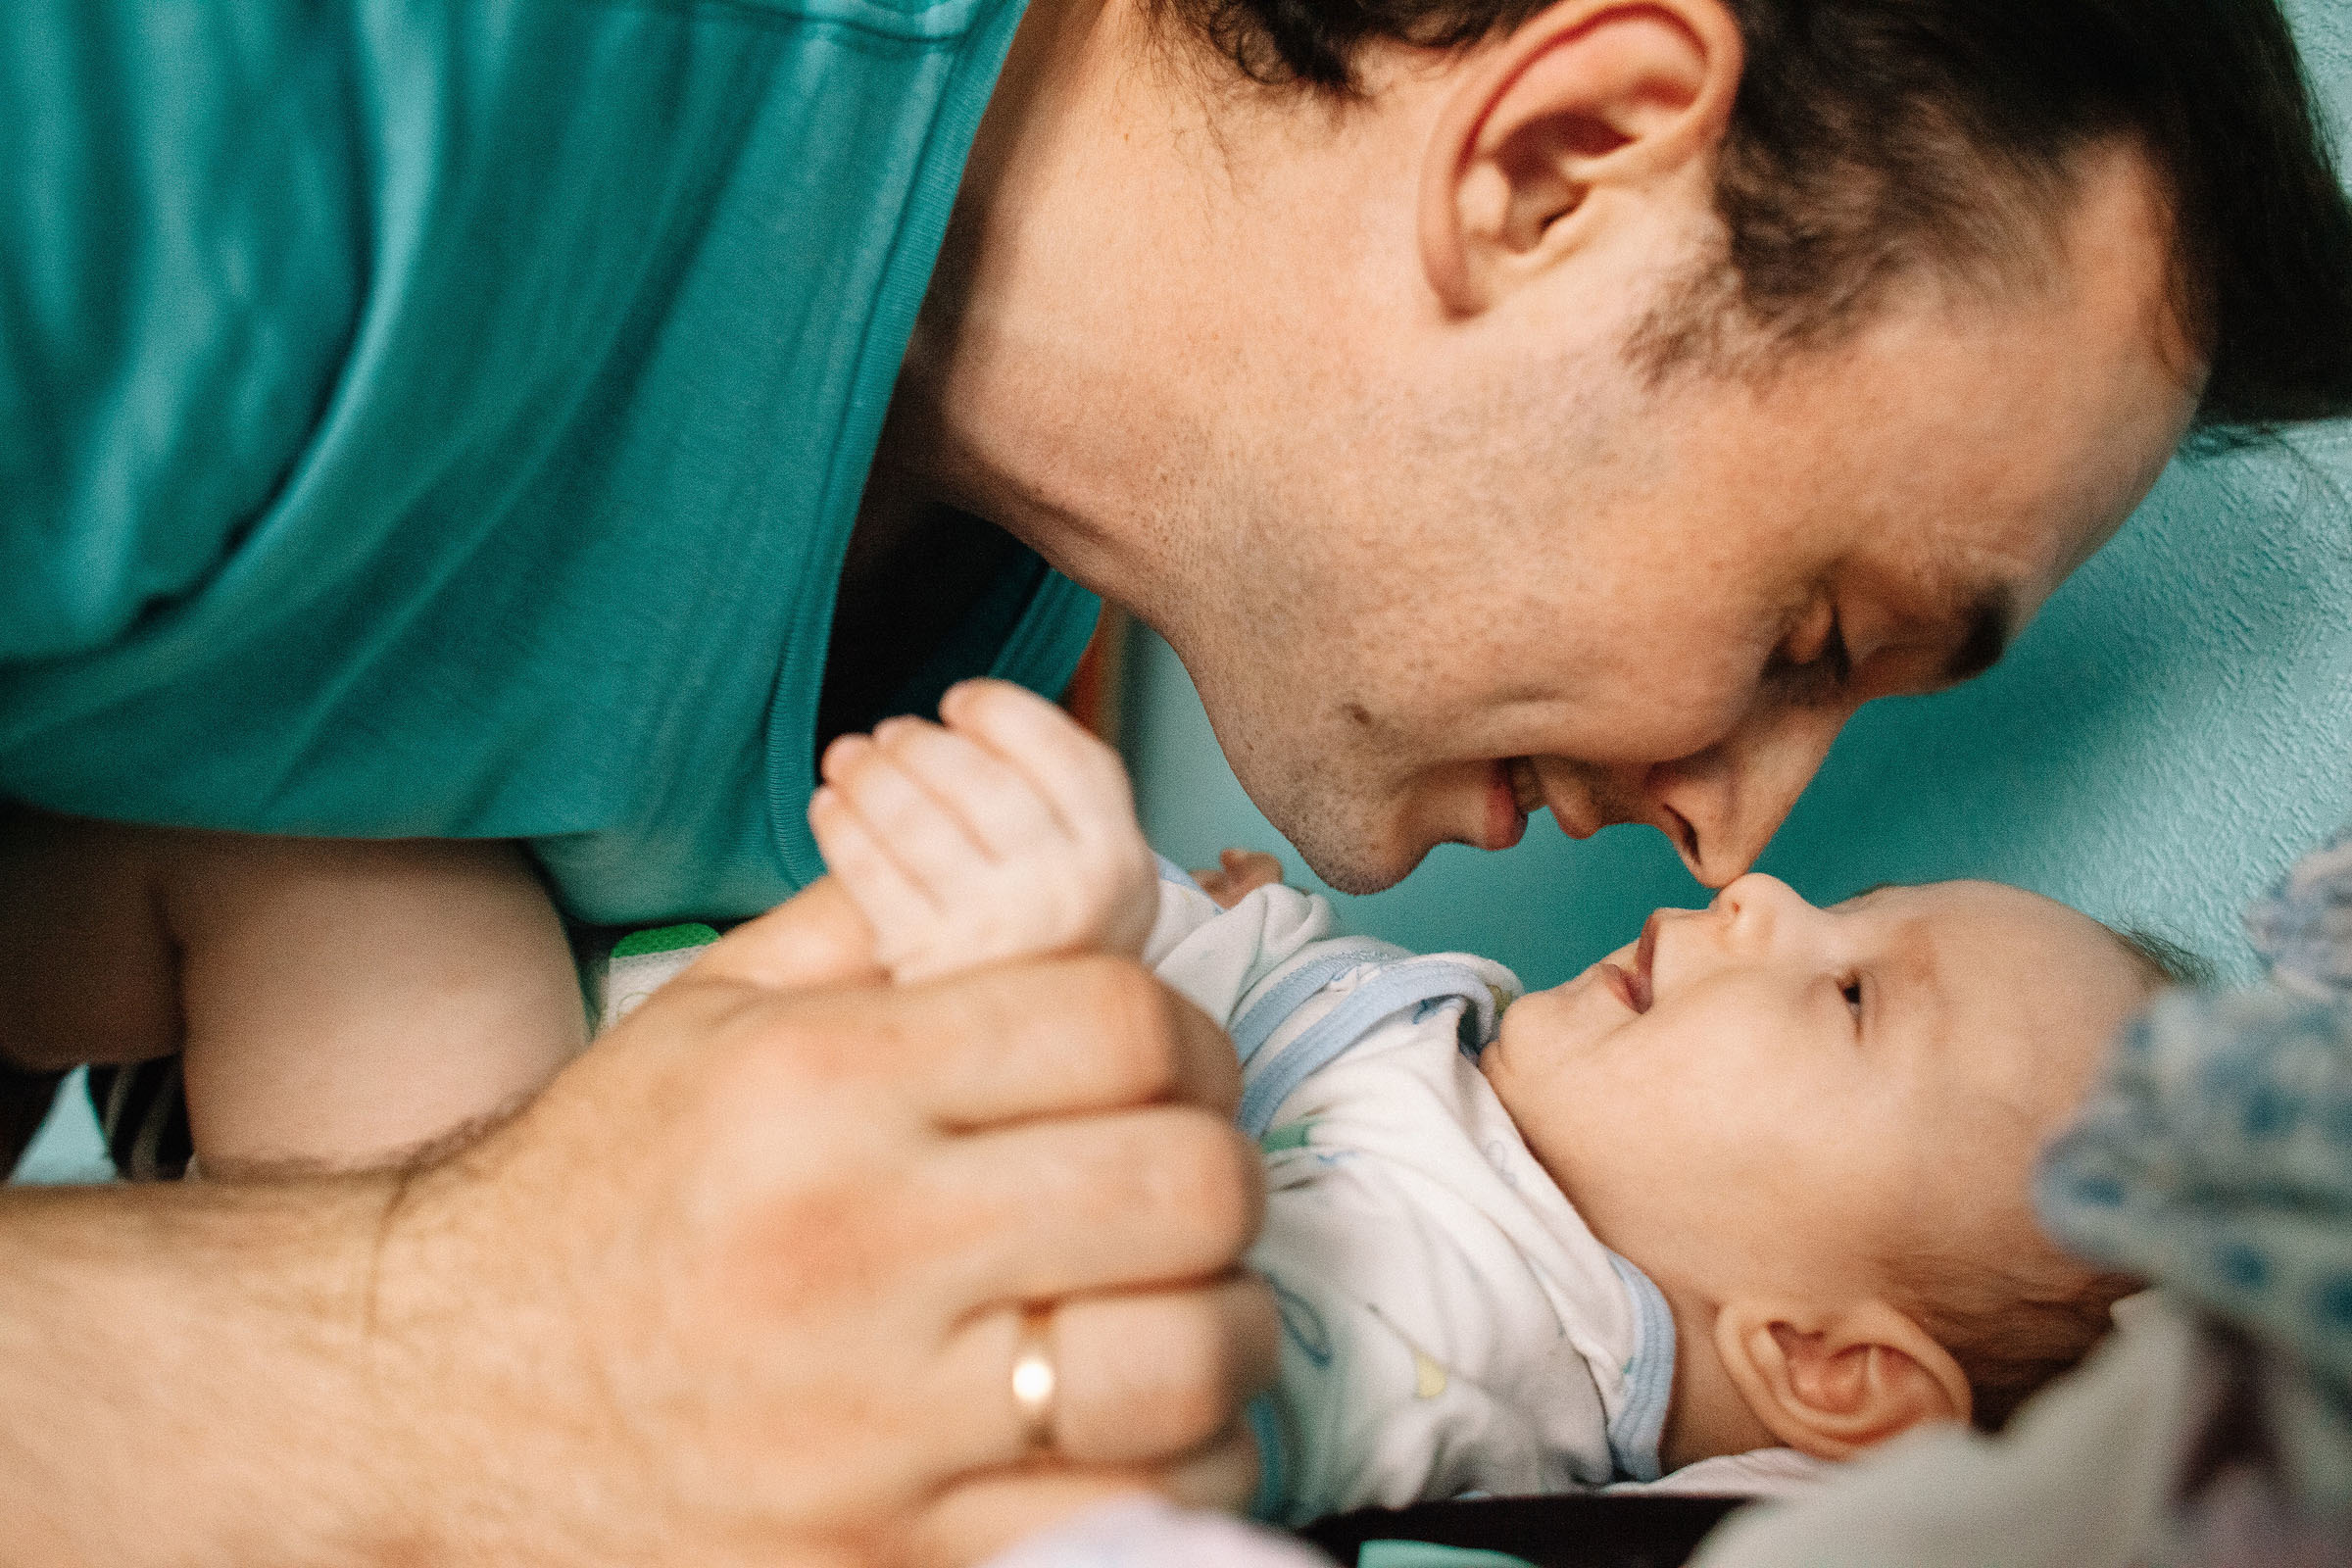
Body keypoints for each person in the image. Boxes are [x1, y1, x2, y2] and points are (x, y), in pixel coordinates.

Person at [5, 0, 2352, 1559]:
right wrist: (445, 1338)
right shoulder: (240, 110)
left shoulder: (1021, 598)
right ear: (1559, 156)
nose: (1744, 836)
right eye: (1814, 634)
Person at [802, 680, 2166, 1521]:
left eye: (1857, 994)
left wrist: (1044, 956)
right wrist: (1214, 928)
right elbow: (1270, 985)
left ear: (1827, 1366)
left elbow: (1155, 1399)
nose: (1762, 895)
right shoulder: (1479, 1072)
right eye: (1846, 907)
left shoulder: (1468, 1341)